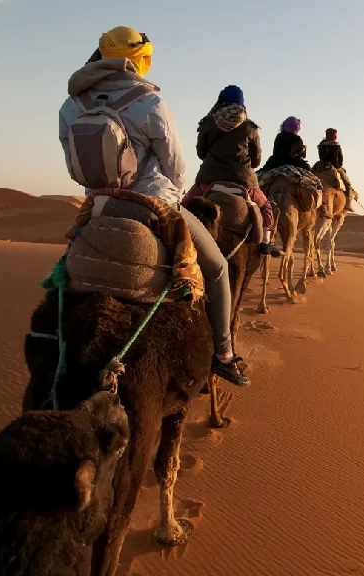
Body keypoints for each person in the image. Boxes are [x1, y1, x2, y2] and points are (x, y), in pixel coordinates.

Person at [58, 26, 249, 387]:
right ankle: (223, 354)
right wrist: (170, 199)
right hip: (153, 203)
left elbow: (73, 166)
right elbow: (175, 166)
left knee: (62, 270)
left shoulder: (71, 105)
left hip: (98, 206)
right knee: (219, 268)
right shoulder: (150, 102)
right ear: (140, 59)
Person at [184, 85, 281, 257]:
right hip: (244, 182)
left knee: (184, 207)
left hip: (209, 179)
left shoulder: (208, 122)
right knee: (266, 206)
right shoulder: (250, 127)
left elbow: (201, 153)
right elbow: (257, 160)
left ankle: (177, 239)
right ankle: (266, 242)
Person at [316, 128, 354, 212]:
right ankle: (348, 203)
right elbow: (340, 158)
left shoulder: (321, 145)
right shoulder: (336, 144)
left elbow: (321, 157)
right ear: (333, 135)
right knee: (348, 184)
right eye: (335, 134)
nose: (336, 136)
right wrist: (339, 167)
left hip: (322, 166)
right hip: (335, 167)